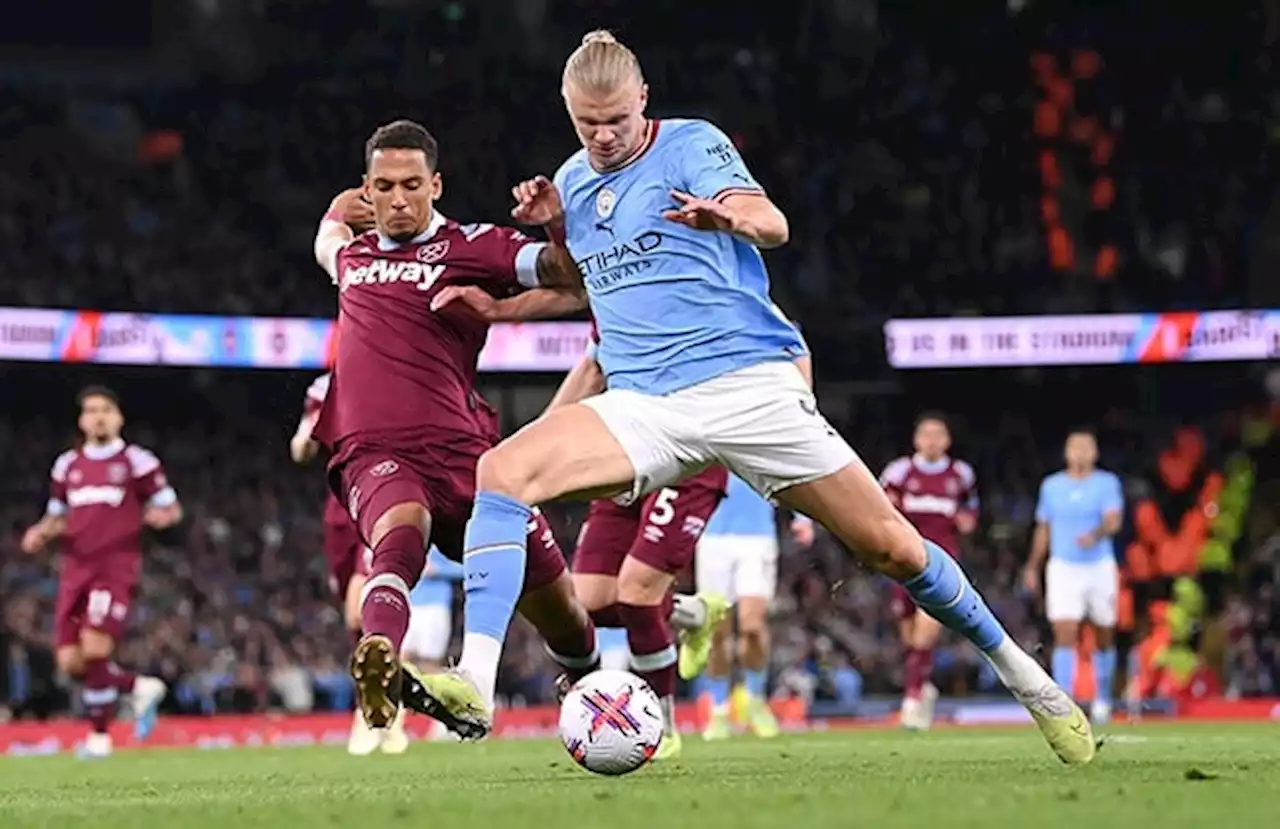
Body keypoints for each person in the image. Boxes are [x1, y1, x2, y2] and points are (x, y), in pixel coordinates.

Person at [420, 30, 1096, 764]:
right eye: (589, 124)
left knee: (891, 546)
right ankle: (475, 678)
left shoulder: (690, 145)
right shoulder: (574, 180)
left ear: (643, 97)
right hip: (644, 402)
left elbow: (772, 222)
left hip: (746, 385)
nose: (605, 136)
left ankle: (1026, 678)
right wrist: (542, 239)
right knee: (500, 472)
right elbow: (592, 279)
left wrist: (730, 217)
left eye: (616, 119)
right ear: (568, 113)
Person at [310, 118, 600, 740]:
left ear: (436, 185)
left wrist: (551, 223)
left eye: (411, 184)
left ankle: (592, 687)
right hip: (374, 451)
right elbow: (330, 223)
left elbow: (574, 277)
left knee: (565, 615)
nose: (397, 199)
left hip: (469, 459)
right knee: (397, 535)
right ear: (367, 189)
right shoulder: (349, 256)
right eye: (382, 187)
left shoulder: (475, 247)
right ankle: (380, 661)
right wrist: (348, 202)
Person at [428, 290, 730, 758]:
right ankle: (691, 612)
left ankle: (663, 726)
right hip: (623, 446)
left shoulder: (683, 287)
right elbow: (592, 368)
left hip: (688, 451)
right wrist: (530, 455)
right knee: (588, 602)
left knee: (635, 592)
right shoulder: (612, 296)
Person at [21, 386, 181, 758]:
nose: (98, 416)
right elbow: (58, 515)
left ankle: (99, 737)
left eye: (106, 409)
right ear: (81, 420)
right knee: (70, 662)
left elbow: (170, 508)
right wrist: (40, 532)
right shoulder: (67, 466)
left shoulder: (136, 462)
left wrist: (161, 518)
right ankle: (139, 686)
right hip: (74, 569)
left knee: (95, 649)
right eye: (91, 410)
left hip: (114, 568)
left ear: (119, 417)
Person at [290, 371, 380, 752]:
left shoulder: (390, 371)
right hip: (339, 507)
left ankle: (371, 708)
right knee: (352, 617)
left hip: (380, 492)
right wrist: (308, 438)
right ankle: (383, 698)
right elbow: (300, 448)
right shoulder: (322, 387)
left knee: (360, 609)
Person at [697, 473, 815, 740]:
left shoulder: (758, 434)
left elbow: (785, 472)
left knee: (752, 626)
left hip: (757, 539)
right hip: (712, 539)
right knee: (717, 631)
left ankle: (754, 698)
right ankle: (719, 710)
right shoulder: (705, 436)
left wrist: (802, 517)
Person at [879, 413, 978, 730]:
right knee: (910, 639)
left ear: (947, 440)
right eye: (927, 434)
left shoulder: (960, 474)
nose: (932, 440)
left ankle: (911, 701)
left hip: (941, 564)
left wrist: (966, 521)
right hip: (902, 562)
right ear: (916, 439)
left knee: (924, 637)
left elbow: (971, 510)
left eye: (939, 434)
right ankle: (923, 687)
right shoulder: (899, 472)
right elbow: (880, 508)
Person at [1023, 429, 1125, 724]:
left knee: (1103, 632)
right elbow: (1043, 527)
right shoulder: (1052, 486)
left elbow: (1113, 519)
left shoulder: (1106, 483)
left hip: (1099, 566)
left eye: (1085, 447)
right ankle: (1064, 702)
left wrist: (1095, 535)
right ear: (1066, 453)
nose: (1079, 453)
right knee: (1064, 631)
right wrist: (1032, 565)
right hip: (1063, 566)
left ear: (1095, 452)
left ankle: (1102, 698)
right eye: (1074, 447)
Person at [396, 547, 463, 749]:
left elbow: (465, 567)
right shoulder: (411, 533)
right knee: (400, 662)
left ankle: (443, 721)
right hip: (409, 604)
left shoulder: (443, 536)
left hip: (435, 607)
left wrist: (438, 570)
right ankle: (396, 724)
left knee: (430, 664)